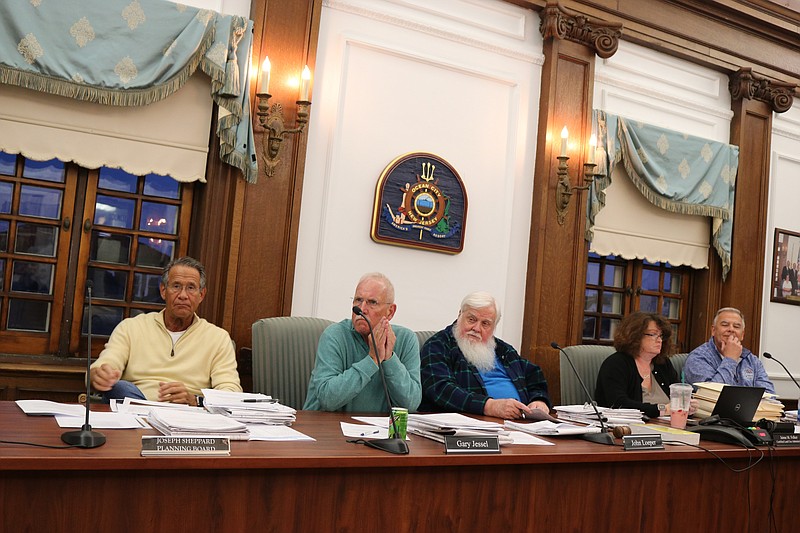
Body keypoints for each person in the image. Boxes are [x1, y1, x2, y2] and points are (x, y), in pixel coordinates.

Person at [90, 257, 242, 405]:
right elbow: (107, 363)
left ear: (201, 295)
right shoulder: (131, 327)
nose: (183, 295)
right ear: (163, 291)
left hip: (187, 415)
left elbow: (231, 392)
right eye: (176, 286)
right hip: (136, 408)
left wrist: (194, 400)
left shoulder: (218, 338)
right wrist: (99, 375)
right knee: (120, 389)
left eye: (191, 288)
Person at [420, 291, 551, 419]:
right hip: (472, 425)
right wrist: (489, 406)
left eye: (485, 323)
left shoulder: (503, 349)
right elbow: (441, 389)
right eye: (471, 319)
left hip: (522, 423)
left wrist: (539, 400)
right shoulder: (438, 345)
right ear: (460, 315)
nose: (476, 328)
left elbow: (534, 375)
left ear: (494, 327)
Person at [303, 272, 421, 412]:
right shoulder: (334, 335)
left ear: (390, 311)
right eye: (358, 300)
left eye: (372, 302)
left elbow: (411, 404)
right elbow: (328, 399)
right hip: (324, 427)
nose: (362, 309)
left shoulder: (406, 339)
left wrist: (389, 358)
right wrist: (372, 359)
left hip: (377, 431)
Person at [595, 312, 696, 419]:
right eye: (653, 334)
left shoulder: (662, 363)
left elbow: (679, 394)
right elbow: (619, 404)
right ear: (635, 336)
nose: (659, 340)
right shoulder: (616, 364)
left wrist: (689, 405)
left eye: (661, 335)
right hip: (627, 428)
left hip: (668, 426)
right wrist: (662, 409)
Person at [683, 307, 775, 393]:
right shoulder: (698, 358)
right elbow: (712, 393)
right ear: (713, 330)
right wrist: (730, 359)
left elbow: (769, 394)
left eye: (736, 326)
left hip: (749, 410)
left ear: (742, 334)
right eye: (725, 325)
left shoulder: (751, 360)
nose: (731, 329)